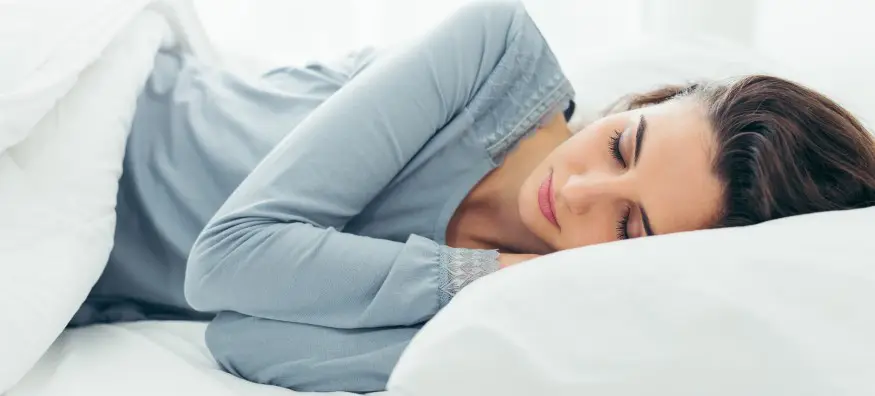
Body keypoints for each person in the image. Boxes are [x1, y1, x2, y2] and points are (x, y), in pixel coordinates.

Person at [69, 0, 875, 393]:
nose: (581, 187)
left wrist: (491, 288)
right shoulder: (491, 53)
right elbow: (224, 264)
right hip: (101, 123)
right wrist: (474, 276)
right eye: (624, 144)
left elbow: (241, 341)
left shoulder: (516, 309)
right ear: (636, 105)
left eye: (628, 229)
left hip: (83, 275)